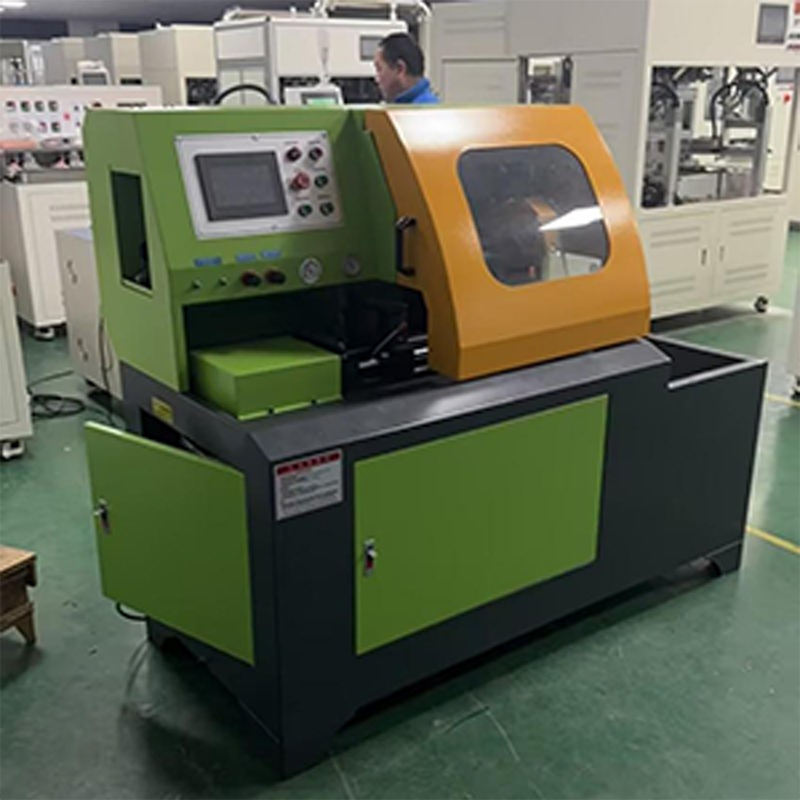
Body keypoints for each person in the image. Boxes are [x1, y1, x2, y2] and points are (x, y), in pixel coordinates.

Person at [373, 32, 439, 104]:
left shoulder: (421, 108)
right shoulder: (430, 103)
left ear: (400, 69)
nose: (377, 80)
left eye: (379, 69)